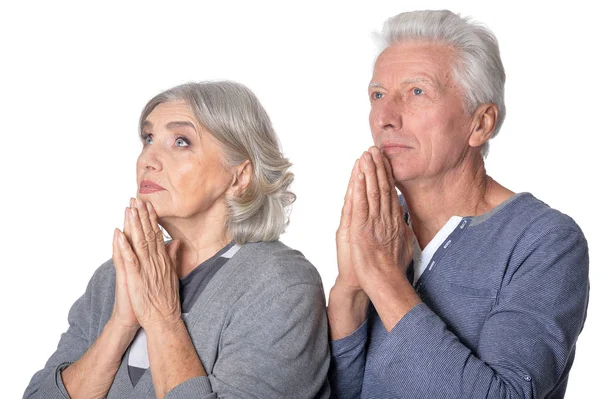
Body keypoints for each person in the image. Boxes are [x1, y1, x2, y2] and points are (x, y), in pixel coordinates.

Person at [327, 10, 589, 399]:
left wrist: (382, 278)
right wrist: (348, 291)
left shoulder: (545, 241)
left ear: (480, 124)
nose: (385, 117)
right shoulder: (379, 223)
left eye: (416, 92)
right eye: (377, 95)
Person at [24, 81, 330, 399]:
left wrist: (160, 317)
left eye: (180, 141)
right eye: (148, 138)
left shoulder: (281, 285)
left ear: (239, 177)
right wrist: (120, 324)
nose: (147, 160)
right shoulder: (115, 277)